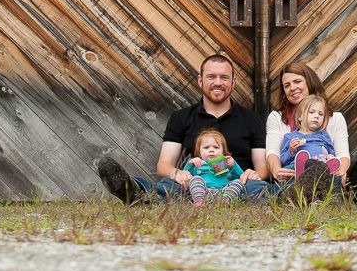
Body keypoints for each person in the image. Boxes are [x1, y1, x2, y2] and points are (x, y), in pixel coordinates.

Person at [98, 53, 272, 203]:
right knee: (168, 185)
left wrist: (253, 174)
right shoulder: (181, 118)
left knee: (259, 187)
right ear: (200, 80)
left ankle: (286, 195)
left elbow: (262, 166)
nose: (218, 82)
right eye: (211, 77)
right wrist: (176, 173)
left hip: (236, 185)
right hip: (194, 186)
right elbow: (164, 165)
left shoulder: (251, 119)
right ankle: (134, 192)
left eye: (224, 78)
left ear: (233, 82)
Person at [265, 61, 357, 201]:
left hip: (327, 172)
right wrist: (277, 171)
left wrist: (341, 173)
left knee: (333, 175)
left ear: (310, 83)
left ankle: (347, 189)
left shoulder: (335, 119)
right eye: (287, 86)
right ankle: (310, 193)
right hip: (293, 174)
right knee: (266, 188)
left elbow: (342, 154)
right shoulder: (277, 118)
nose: (292, 88)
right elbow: (273, 153)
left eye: (297, 81)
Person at [279, 95, 341, 177]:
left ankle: (325, 172)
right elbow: (283, 161)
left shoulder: (324, 135)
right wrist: (291, 151)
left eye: (321, 114)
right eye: (311, 112)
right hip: (297, 168)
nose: (316, 116)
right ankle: (302, 174)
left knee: (330, 172)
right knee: (291, 168)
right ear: (299, 116)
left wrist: (330, 157)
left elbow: (331, 153)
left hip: (320, 164)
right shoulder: (290, 137)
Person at [184, 128, 245, 206]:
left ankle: (225, 201)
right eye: (206, 148)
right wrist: (191, 163)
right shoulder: (197, 163)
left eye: (216, 147)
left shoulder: (227, 164)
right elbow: (184, 176)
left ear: (223, 152)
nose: (211, 150)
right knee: (195, 179)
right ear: (199, 152)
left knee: (238, 182)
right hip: (205, 193)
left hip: (223, 192)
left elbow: (241, 177)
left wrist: (234, 165)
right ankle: (199, 200)